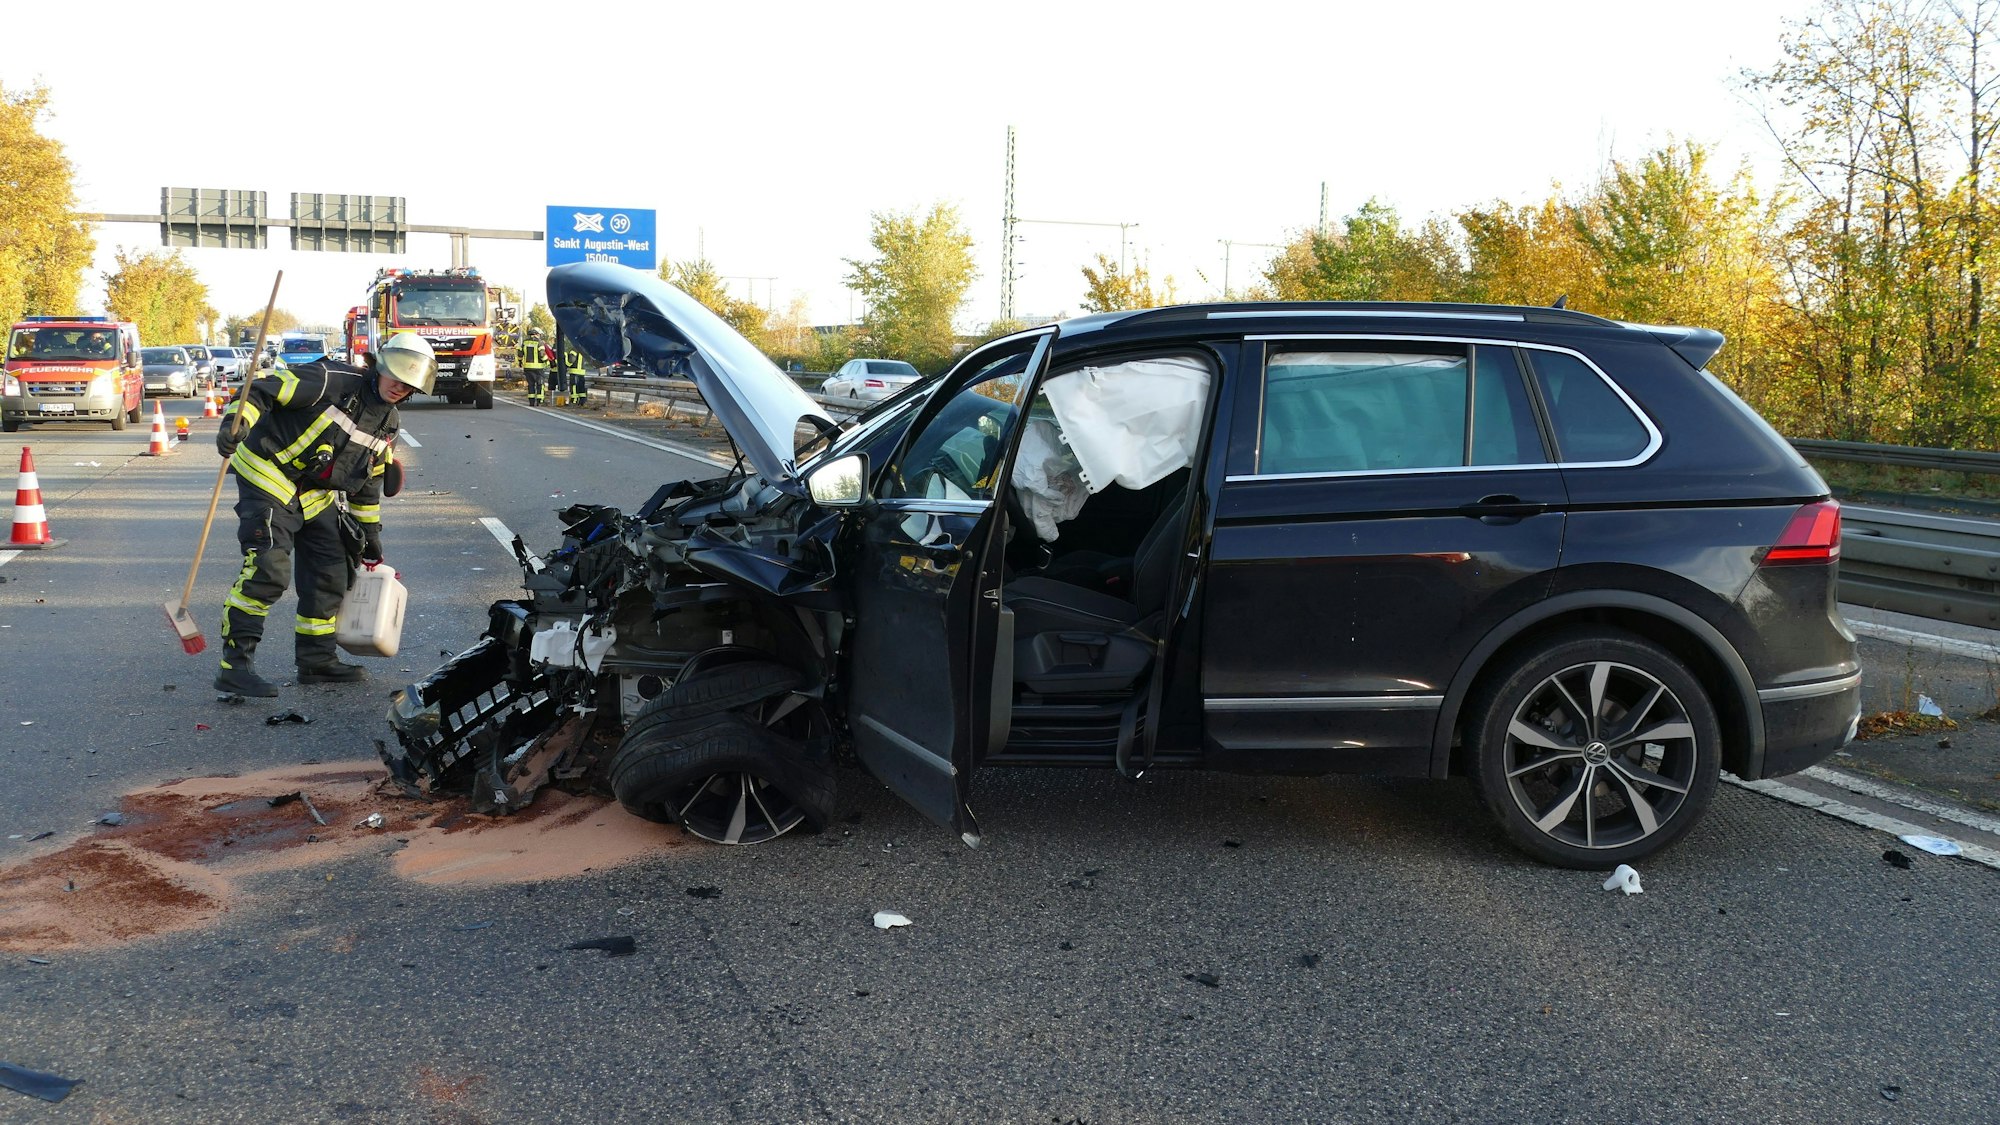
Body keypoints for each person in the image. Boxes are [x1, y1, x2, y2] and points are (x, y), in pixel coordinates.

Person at [212, 332, 435, 697]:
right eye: (396, 375)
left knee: (332, 570)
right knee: (268, 570)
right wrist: (235, 422)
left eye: (409, 383)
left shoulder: (388, 423)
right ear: (379, 365)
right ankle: (235, 666)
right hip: (269, 474)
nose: (399, 386)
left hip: (316, 494)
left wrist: (369, 536)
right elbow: (260, 390)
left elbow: (367, 484)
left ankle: (316, 660)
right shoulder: (330, 380)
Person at [520, 329, 552, 405]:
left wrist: (520, 362)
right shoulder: (539, 342)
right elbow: (542, 354)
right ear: (537, 334)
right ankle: (540, 401)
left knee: (530, 385)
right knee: (540, 384)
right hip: (538, 368)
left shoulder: (524, 342)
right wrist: (547, 361)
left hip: (527, 367)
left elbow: (520, 354)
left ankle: (531, 401)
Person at [558, 331, 590, 407]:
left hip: (574, 371)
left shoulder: (575, 349)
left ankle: (574, 401)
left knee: (574, 387)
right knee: (581, 387)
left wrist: (565, 365)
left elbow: (571, 359)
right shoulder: (584, 349)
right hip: (582, 372)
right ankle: (582, 401)